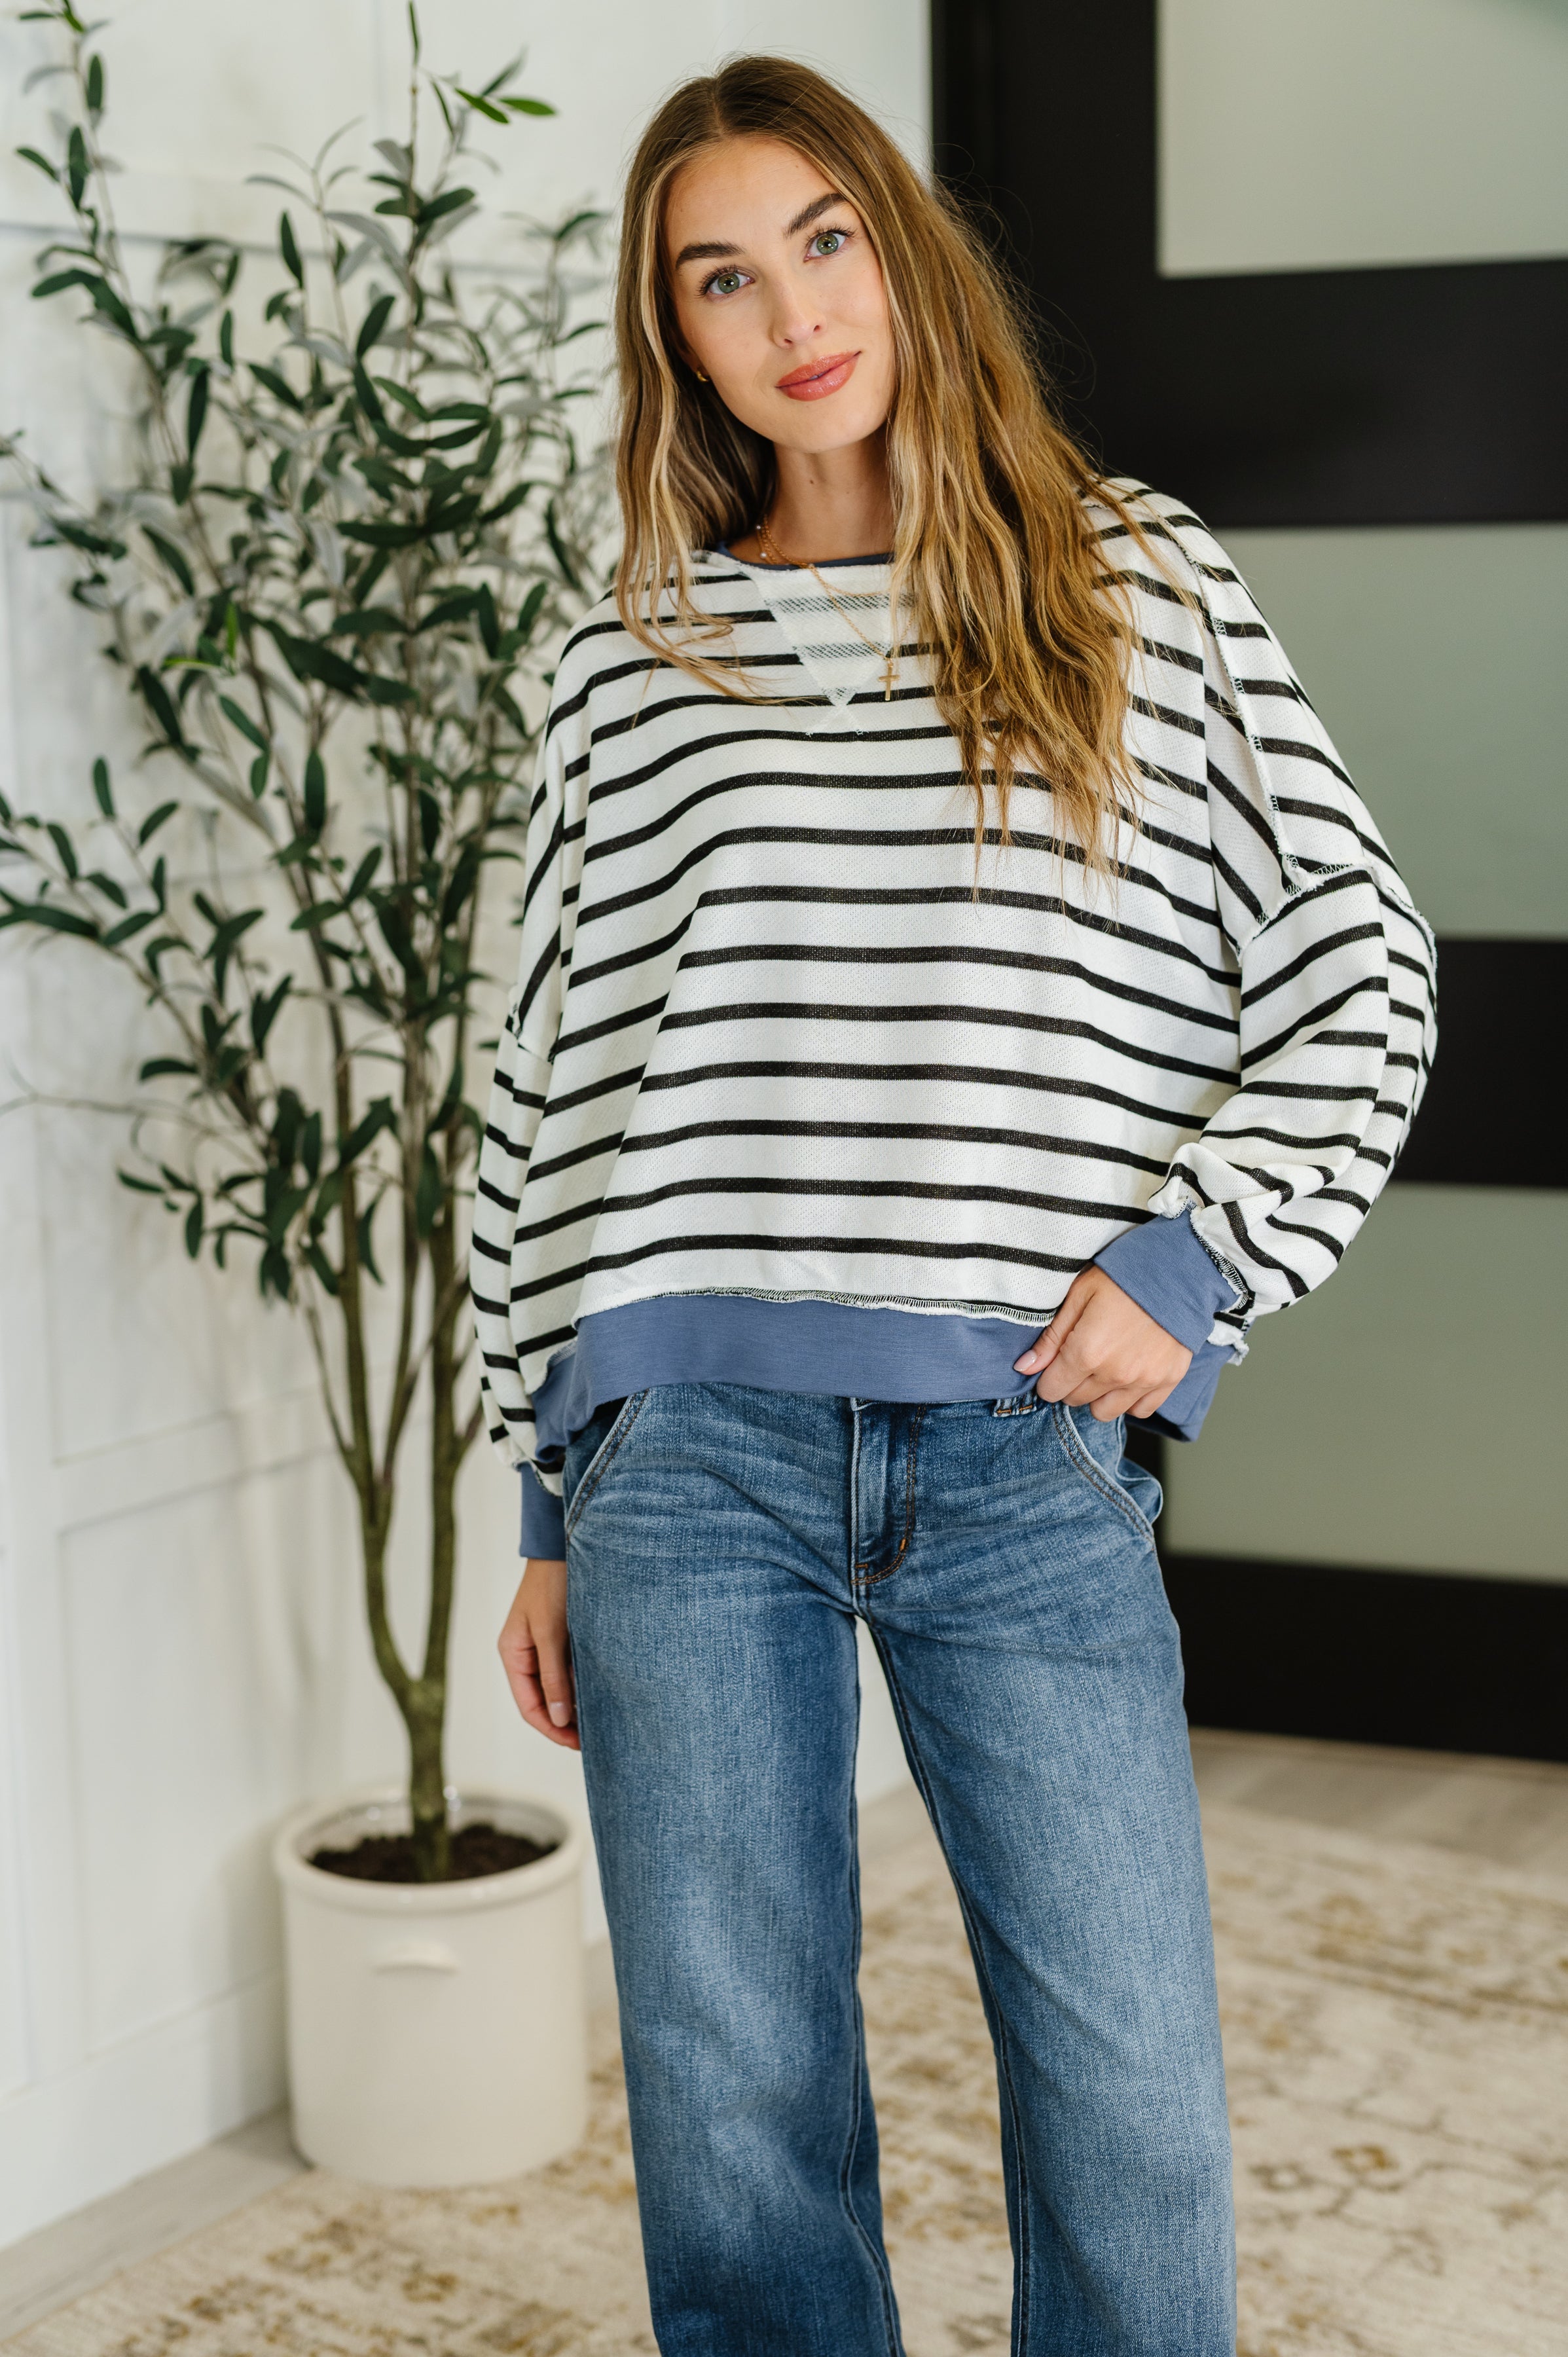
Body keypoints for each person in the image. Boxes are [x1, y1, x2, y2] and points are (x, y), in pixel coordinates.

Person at [473, 54, 1435, 2357]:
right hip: (676, 1464)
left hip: (1022, 1442)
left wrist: (1192, 1261)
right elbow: (541, 1097)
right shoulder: (628, 666)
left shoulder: (1130, 580)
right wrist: (534, 1488)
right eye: (720, 274)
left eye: (822, 238)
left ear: (901, 253)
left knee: (1125, 2099)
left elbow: (1354, 964)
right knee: (736, 2106)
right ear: (672, 336)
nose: (789, 310)